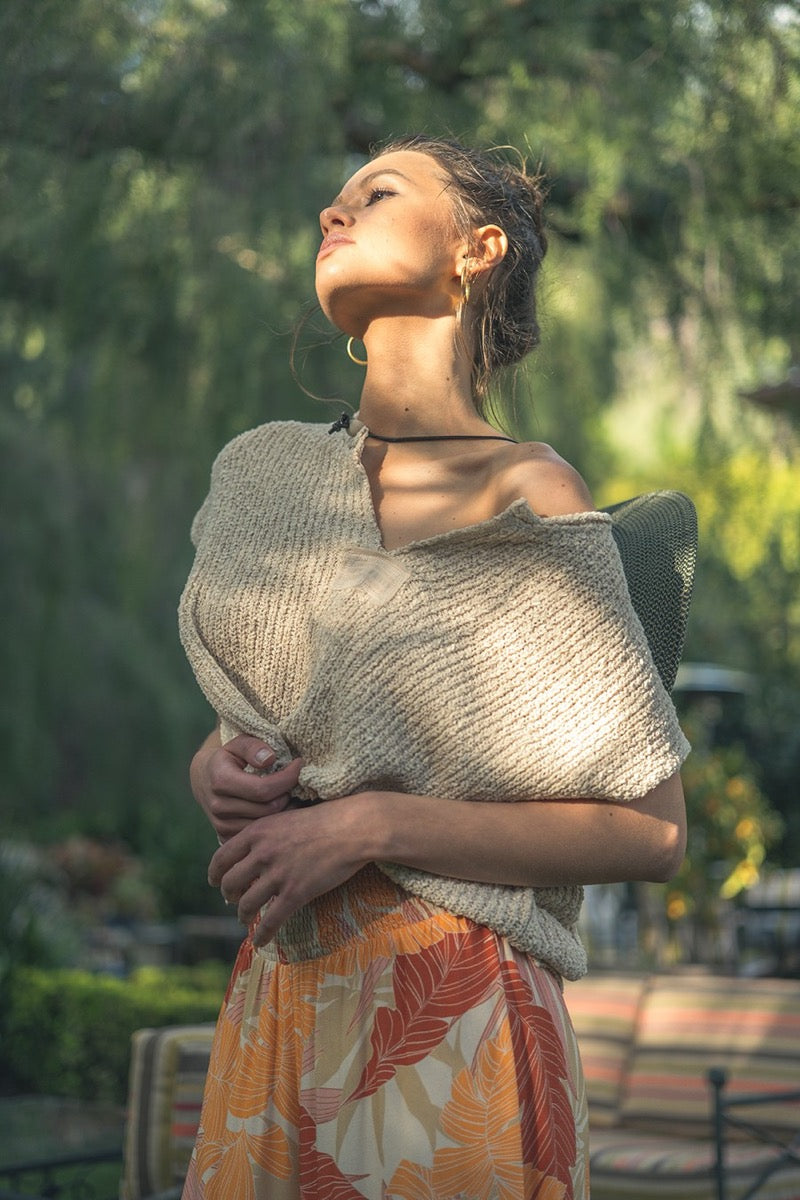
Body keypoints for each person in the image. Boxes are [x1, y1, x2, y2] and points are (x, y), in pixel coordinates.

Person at [178, 134, 689, 1200]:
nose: (331, 214)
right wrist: (213, 773)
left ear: (476, 248)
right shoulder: (266, 478)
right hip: (284, 997)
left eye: (376, 192)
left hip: (456, 1014)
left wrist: (370, 826)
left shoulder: (529, 495)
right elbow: (277, 731)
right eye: (329, 201)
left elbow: (647, 827)